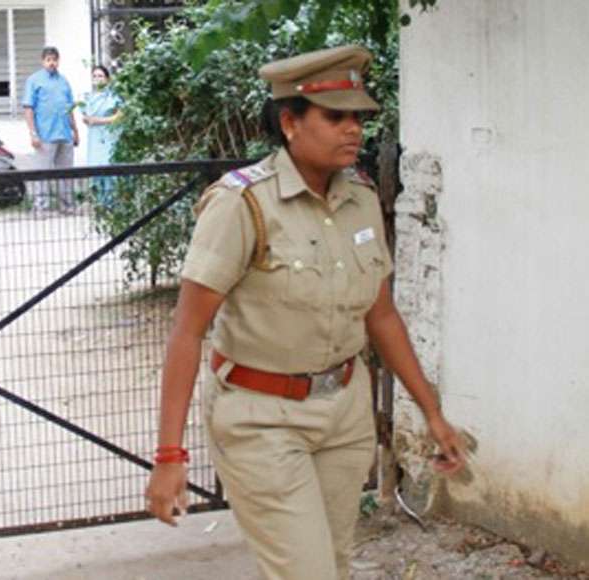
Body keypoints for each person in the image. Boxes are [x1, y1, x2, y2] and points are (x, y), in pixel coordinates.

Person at [144, 45, 467, 580]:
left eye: (358, 117)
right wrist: (169, 456)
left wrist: (432, 412)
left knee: (334, 566)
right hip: (261, 419)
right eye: (335, 116)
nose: (353, 130)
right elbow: (187, 331)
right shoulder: (243, 205)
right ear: (290, 122)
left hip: (344, 414)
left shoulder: (360, 197)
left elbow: (381, 316)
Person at [23, 46, 79, 216]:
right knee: (42, 174)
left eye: (55, 59)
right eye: (48, 59)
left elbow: (69, 108)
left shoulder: (64, 81)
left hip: (64, 134)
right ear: (43, 61)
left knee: (66, 174)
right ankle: (41, 208)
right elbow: (28, 109)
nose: (52, 63)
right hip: (44, 135)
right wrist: (33, 133)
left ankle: (67, 207)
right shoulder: (34, 81)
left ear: (58, 61)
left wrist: (75, 131)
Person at [80, 65, 122, 207]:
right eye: (95, 76)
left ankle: (111, 203)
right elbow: (85, 116)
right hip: (94, 137)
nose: (97, 79)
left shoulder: (113, 96)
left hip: (109, 134)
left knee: (109, 167)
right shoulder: (88, 98)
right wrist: (87, 119)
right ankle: (99, 203)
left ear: (107, 79)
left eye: (101, 76)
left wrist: (99, 121)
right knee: (95, 167)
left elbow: (120, 115)